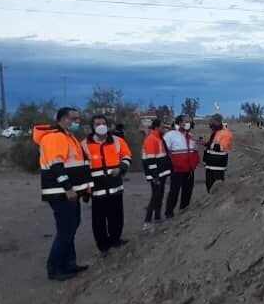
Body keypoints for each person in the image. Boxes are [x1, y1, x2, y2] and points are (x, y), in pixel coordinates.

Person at [32, 107, 91, 281]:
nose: (77, 122)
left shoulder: (68, 137)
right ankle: (55, 268)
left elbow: (78, 165)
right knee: (66, 231)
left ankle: (69, 264)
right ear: (63, 119)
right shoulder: (54, 138)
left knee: (71, 228)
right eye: (74, 118)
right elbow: (56, 165)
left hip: (71, 192)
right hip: (61, 193)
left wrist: (84, 189)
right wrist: (68, 188)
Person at [81, 115, 133, 258]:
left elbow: (127, 156)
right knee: (99, 221)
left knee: (116, 216)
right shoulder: (85, 144)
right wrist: (86, 190)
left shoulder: (117, 141)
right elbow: (82, 168)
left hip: (115, 186)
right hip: (97, 189)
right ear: (92, 126)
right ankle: (103, 246)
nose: (101, 126)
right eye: (97, 123)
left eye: (103, 123)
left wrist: (121, 168)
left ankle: (115, 240)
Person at [164, 114, 200, 218]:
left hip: (189, 170)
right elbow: (164, 150)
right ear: (179, 123)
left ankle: (184, 211)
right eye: (186, 121)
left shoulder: (190, 136)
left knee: (187, 191)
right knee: (174, 192)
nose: (188, 123)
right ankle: (169, 213)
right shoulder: (171, 135)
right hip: (176, 170)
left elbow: (194, 150)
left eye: (189, 121)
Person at [141, 119, 172, 230]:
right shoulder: (151, 139)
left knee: (160, 195)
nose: (164, 129)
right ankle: (147, 221)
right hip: (156, 175)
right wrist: (155, 176)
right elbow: (151, 160)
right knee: (155, 197)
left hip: (161, 173)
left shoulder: (159, 139)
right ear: (156, 127)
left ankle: (157, 217)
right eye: (162, 127)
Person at [203, 114, 233, 192]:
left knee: (217, 190)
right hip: (210, 166)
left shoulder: (226, 133)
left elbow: (222, 147)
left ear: (218, 122)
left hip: (218, 167)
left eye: (212, 122)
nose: (210, 124)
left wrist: (208, 144)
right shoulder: (215, 132)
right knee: (209, 187)